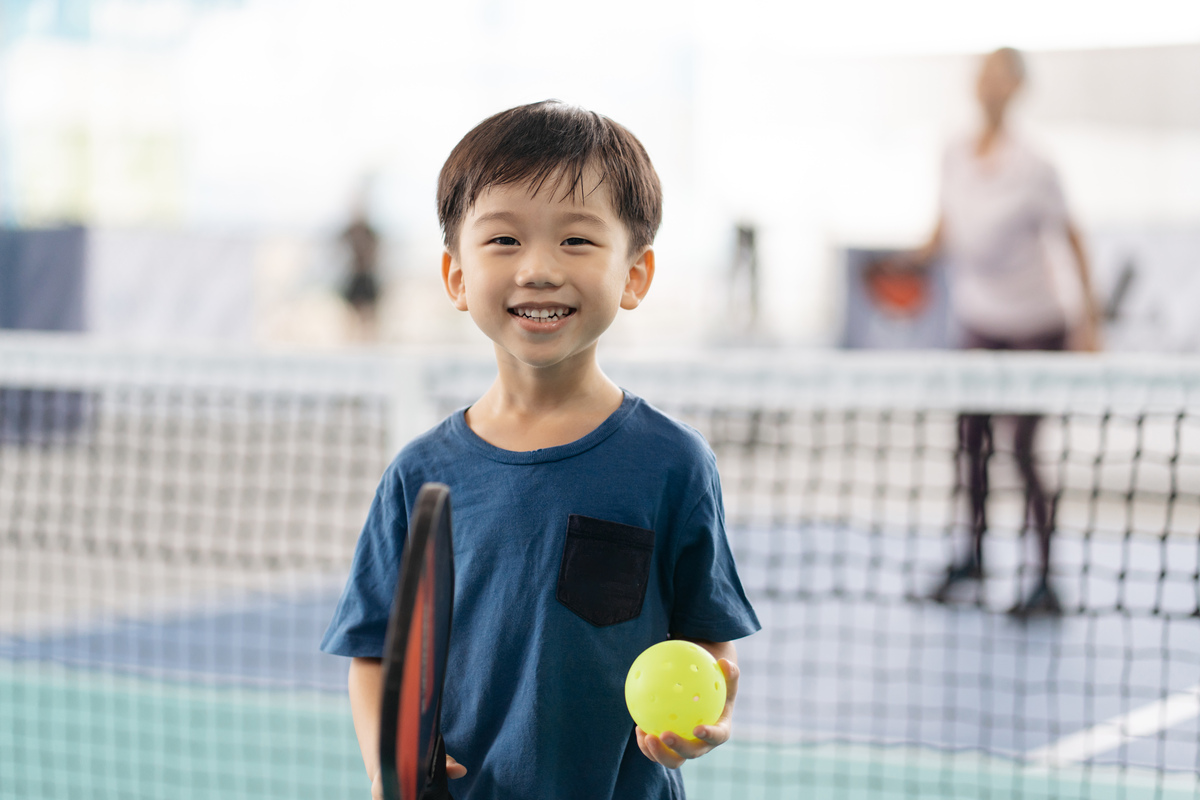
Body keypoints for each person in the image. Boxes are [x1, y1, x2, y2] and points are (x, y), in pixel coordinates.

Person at [320, 101, 760, 799]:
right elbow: (374, 655)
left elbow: (707, 645)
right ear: (456, 275)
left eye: (578, 242)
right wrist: (388, 765)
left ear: (636, 274)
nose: (538, 269)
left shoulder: (674, 465)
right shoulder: (418, 477)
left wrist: (710, 717)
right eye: (503, 241)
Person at [912, 48, 1102, 616]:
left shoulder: (1037, 165)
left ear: (1016, 88)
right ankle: (971, 559)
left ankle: (1045, 578)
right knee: (971, 443)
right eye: (983, 73)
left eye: (1000, 75)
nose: (988, 84)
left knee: (1022, 448)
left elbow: (1071, 238)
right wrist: (899, 265)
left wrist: (1089, 320)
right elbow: (939, 236)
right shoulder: (952, 153)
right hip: (979, 320)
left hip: (1037, 324)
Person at [340, 207, 381, 342]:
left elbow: (378, 248)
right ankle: (353, 340)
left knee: (369, 315)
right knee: (352, 314)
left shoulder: (369, 231)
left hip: (366, 275)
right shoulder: (350, 231)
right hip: (356, 274)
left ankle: (368, 340)